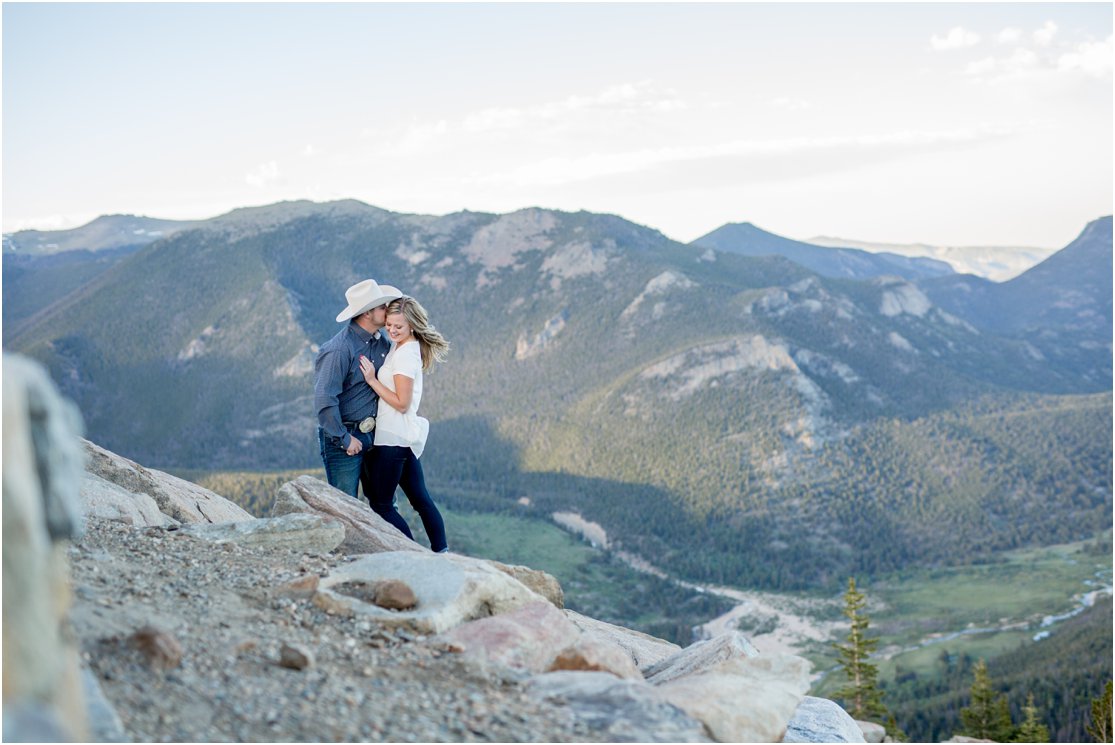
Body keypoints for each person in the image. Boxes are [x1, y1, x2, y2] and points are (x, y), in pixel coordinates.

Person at [359, 296, 450, 552]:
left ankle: (411, 554)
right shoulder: (402, 347)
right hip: (403, 436)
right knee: (421, 500)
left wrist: (371, 380)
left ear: (412, 325)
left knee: (381, 504)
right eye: (389, 324)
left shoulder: (406, 355)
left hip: (393, 438)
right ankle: (441, 552)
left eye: (399, 326)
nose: (392, 330)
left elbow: (402, 403)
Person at [313, 279, 402, 498]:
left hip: (375, 435)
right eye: (383, 307)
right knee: (345, 506)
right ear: (367, 313)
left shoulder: (382, 343)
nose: (388, 311)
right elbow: (325, 399)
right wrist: (344, 439)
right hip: (346, 437)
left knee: (384, 503)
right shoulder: (339, 350)